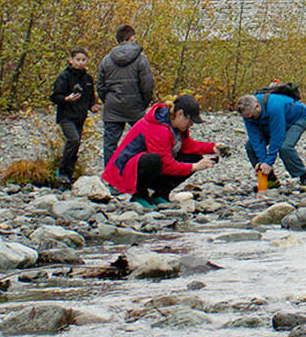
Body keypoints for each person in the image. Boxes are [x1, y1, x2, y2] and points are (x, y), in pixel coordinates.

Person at [101, 94, 218, 207]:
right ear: (180, 114)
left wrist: (213, 148)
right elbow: (166, 165)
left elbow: (187, 147)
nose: (191, 125)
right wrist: (195, 167)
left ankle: (160, 194)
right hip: (123, 172)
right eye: (190, 121)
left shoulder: (177, 126)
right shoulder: (158, 127)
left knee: (194, 156)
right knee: (153, 159)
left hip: (143, 168)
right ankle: (139, 195)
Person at [96, 24, 155, 165]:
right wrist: (143, 103)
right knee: (143, 141)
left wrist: (107, 100)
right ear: (132, 38)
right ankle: (138, 173)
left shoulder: (106, 59)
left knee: (110, 144)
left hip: (112, 107)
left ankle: (110, 177)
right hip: (135, 106)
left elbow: (100, 85)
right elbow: (147, 85)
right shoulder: (141, 59)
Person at [236, 88, 306, 190]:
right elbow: (255, 138)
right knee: (250, 146)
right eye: (247, 118)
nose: (250, 120)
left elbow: (277, 137)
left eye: (251, 116)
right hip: (270, 122)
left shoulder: (274, 106)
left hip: (297, 119)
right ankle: (271, 180)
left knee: (285, 147)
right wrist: (263, 163)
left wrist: (269, 162)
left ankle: (304, 177)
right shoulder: (248, 115)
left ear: (257, 107)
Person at [48, 46, 98, 183]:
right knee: (73, 139)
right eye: (78, 60)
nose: (80, 62)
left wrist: (93, 106)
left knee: (76, 145)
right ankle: (62, 172)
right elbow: (54, 97)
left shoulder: (88, 79)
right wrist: (66, 99)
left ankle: (69, 174)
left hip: (80, 117)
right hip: (66, 116)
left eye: (83, 60)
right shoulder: (64, 76)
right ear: (71, 60)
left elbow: (90, 97)